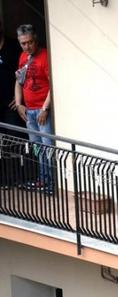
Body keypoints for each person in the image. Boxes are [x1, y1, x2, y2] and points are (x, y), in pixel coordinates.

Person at [14, 24, 53, 194]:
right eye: (23, 43)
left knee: (48, 148)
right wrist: (18, 103)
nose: (27, 46)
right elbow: (18, 81)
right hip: (29, 110)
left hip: (42, 110)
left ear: (35, 40)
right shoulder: (23, 57)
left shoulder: (45, 56)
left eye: (29, 42)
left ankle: (51, 183)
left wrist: (45, 108)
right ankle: (42, 180)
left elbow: (53, 85)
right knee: (37, 149)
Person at [0, 18, 25, 189]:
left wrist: (17, 99)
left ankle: (17, 178)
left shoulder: (12, 46)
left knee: (14, 140)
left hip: (10, 105)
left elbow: (22, 73)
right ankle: (3, 180)